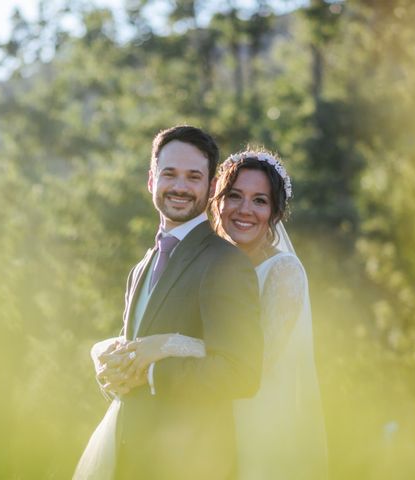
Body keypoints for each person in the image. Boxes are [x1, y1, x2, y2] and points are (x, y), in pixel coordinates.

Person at [109, 148, 328, 479]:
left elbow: (257, 358)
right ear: (216, 198)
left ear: (275, 213)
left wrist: (165, 345)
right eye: (235, 196)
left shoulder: (283, 271)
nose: (244, 210)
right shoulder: (200, 265)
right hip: (194, 430)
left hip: (253, 429)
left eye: (260, 201)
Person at [74, 126, 264, 480]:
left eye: (193, 177)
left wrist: (151, 373)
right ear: (151, 180)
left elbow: (241, 373)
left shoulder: (226, 262)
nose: (179, 187)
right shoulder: (141, 267)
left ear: (210, 189)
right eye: (170, 174)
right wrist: (114, 372)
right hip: (127, 461)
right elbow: (136, 353)